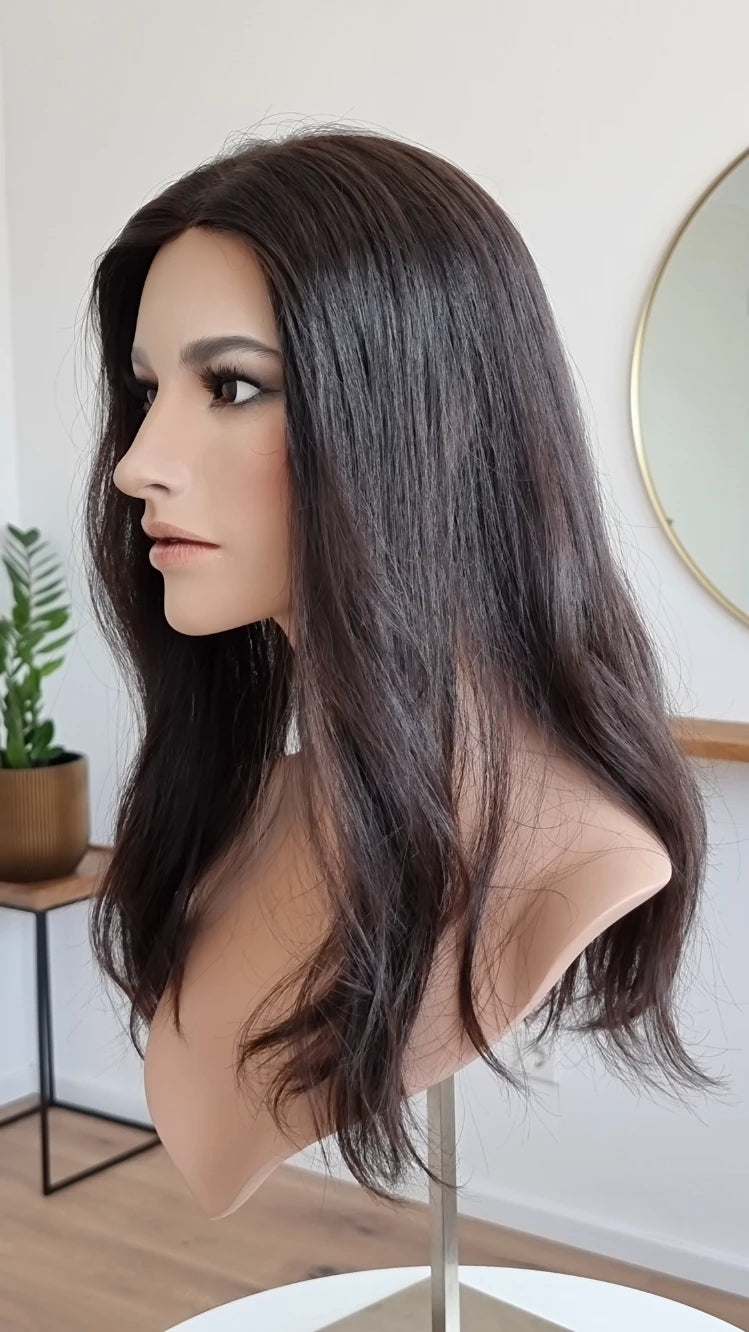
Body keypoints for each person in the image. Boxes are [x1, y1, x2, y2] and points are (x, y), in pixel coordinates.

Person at [82, 126, 708, 1219]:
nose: (137, 464)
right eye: (147, 392)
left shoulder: (581, 862)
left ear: (433, 415)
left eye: (230, 385)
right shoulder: (240, 827)